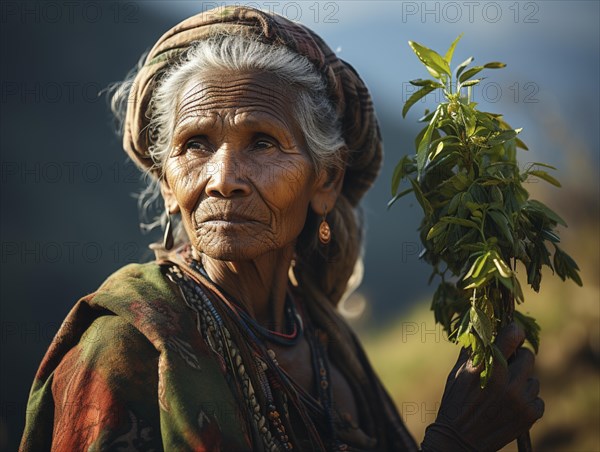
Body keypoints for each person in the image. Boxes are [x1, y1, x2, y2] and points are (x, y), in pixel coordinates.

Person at [20, 6, 543, 451]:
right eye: (195, 145)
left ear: (327, 181)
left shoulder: (322, 338)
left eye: (263, 143)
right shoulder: (125, 350)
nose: (222, 180)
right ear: (166, 182)